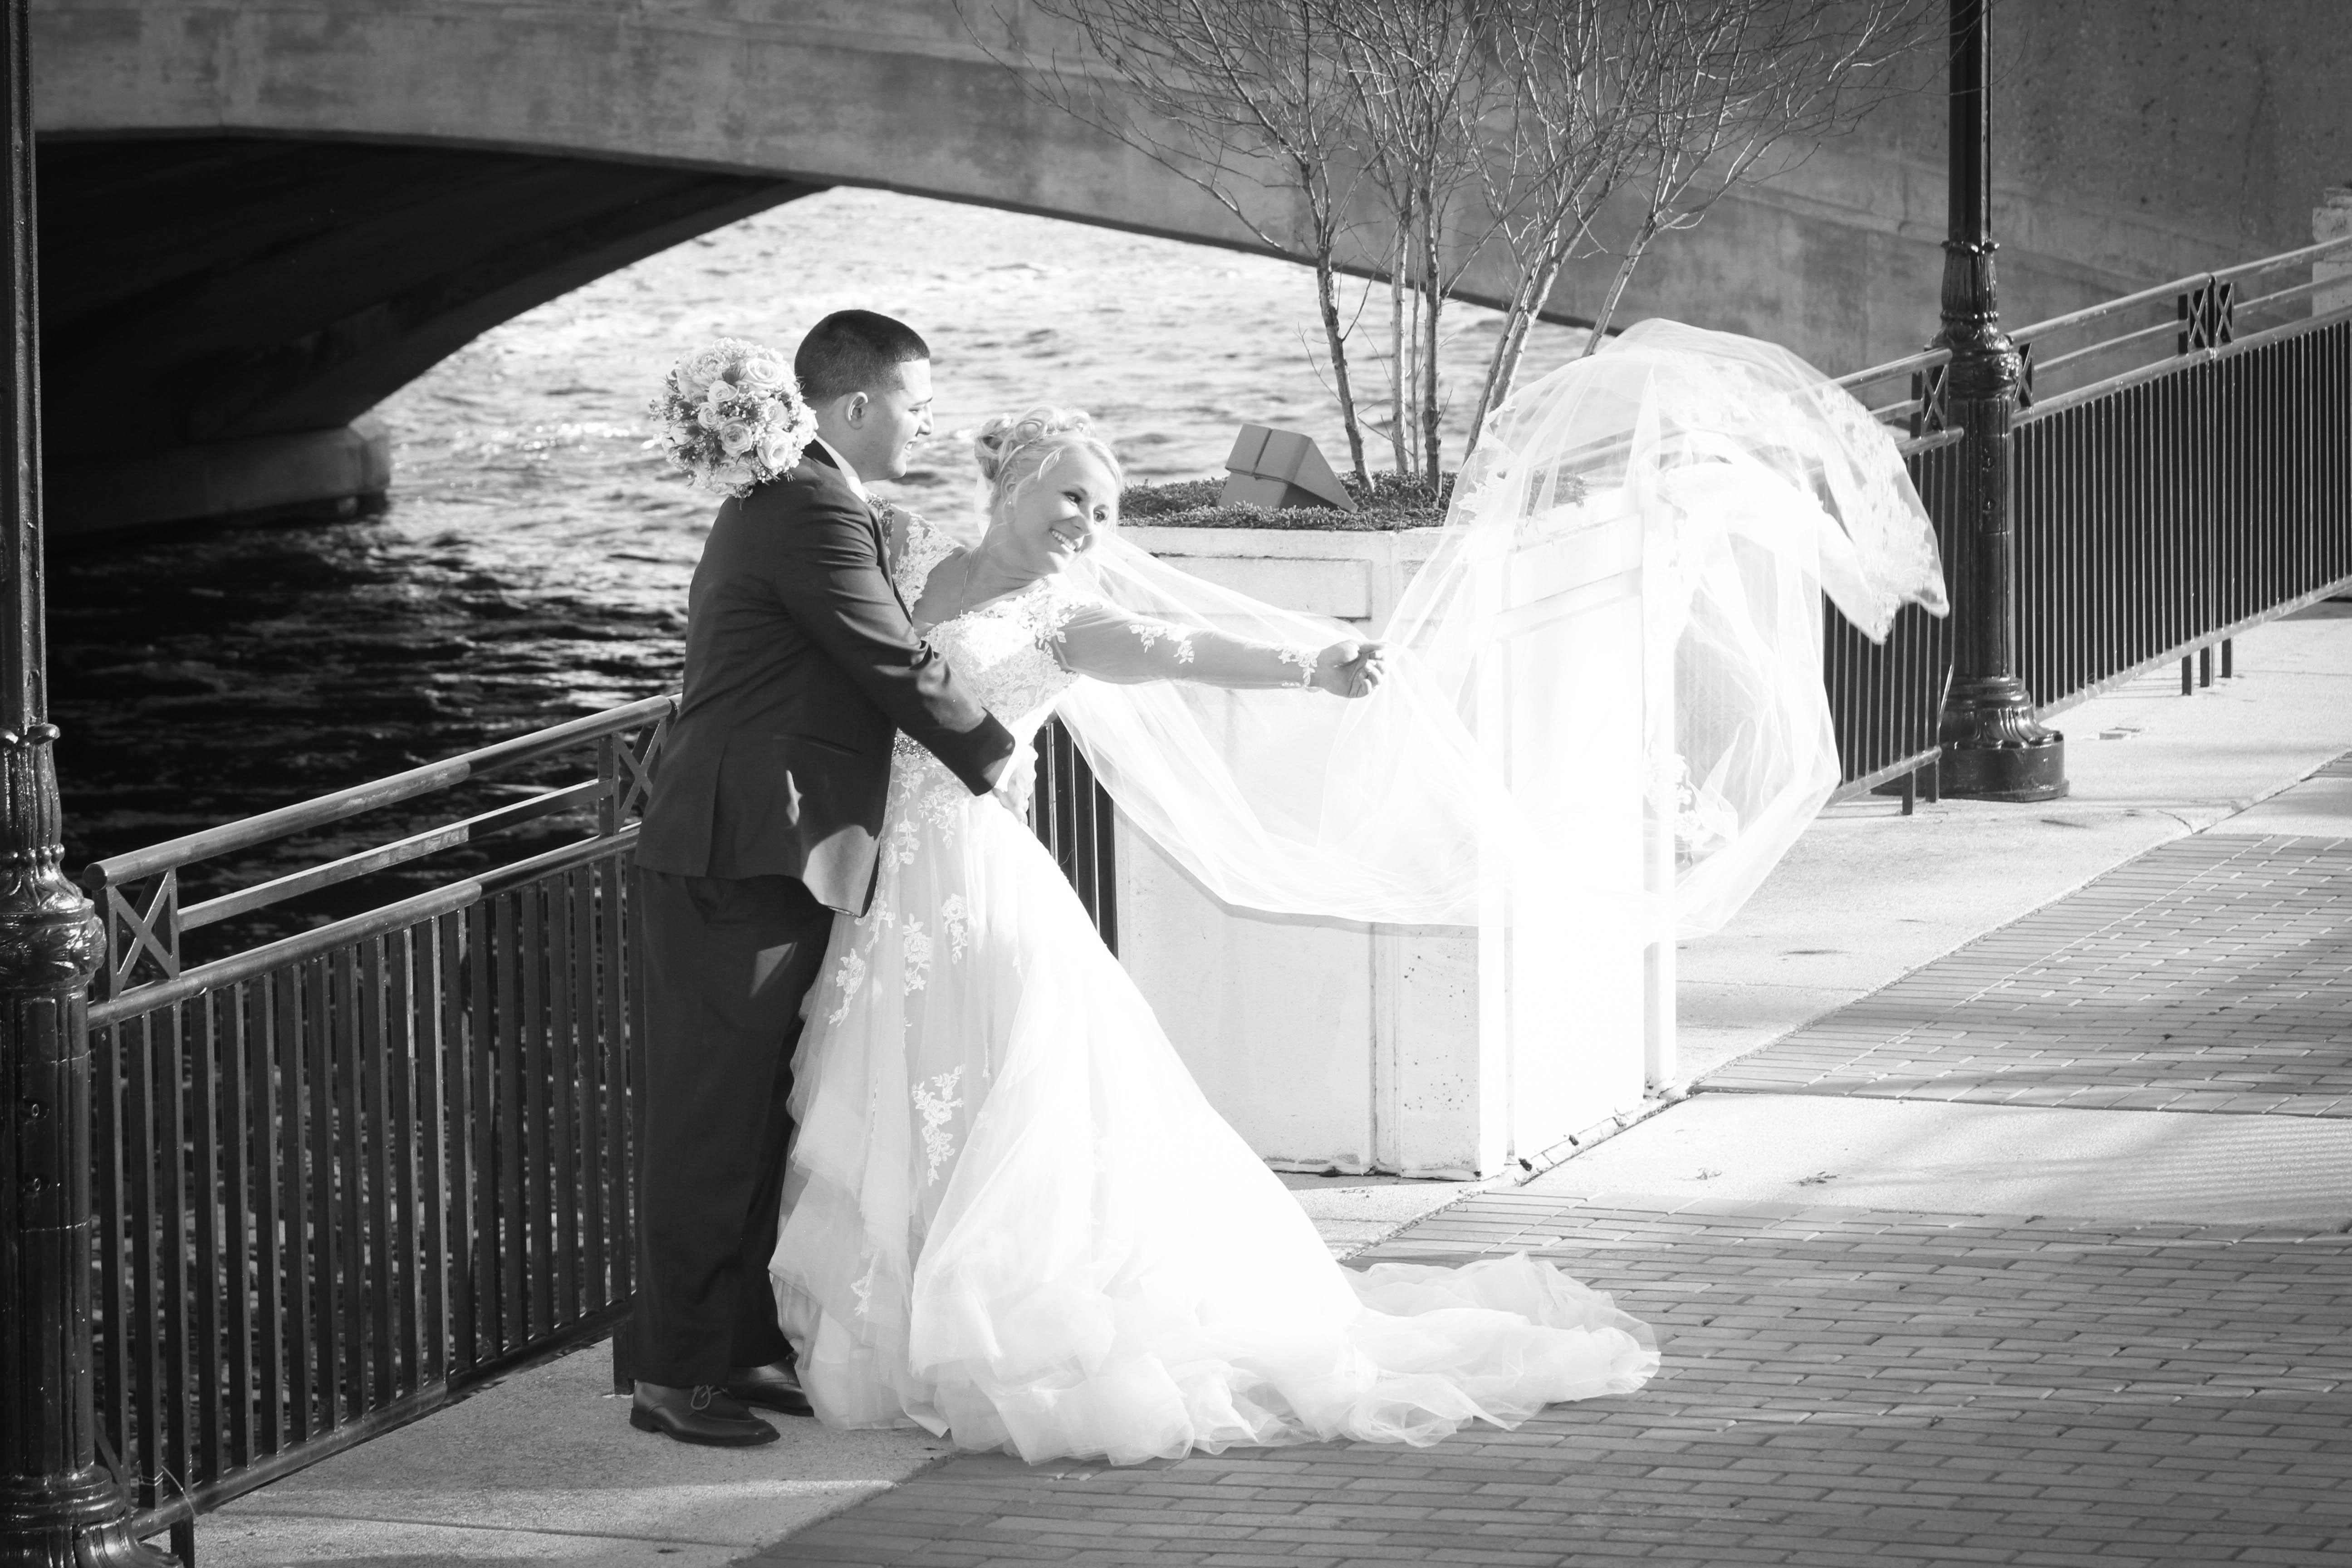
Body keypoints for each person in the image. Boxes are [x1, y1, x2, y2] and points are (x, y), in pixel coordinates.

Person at [768, 409, 1663, 1464]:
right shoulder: (914, 562)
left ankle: (1006, 1332)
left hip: (978, 882)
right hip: (888, 888)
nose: (1088, 523)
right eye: (1072, 496)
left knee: (1001, 1095)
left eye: (1106, 512)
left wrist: (1313, 665)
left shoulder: (1064, 618)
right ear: (1011, 485)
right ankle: (904, 1319)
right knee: (903, 1088)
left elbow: (1181, 650)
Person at [624, 312, 1023, 1447]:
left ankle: (738, 1346)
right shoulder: (811, 507)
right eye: (917, 404)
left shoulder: (799, 494)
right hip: (737, 850)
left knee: (757, 1112)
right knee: (711, 1119)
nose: (928, 424)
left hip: (767, 844)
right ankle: (674, 1376)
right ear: (856, 406)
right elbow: (889, 655)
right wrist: (998, 756)